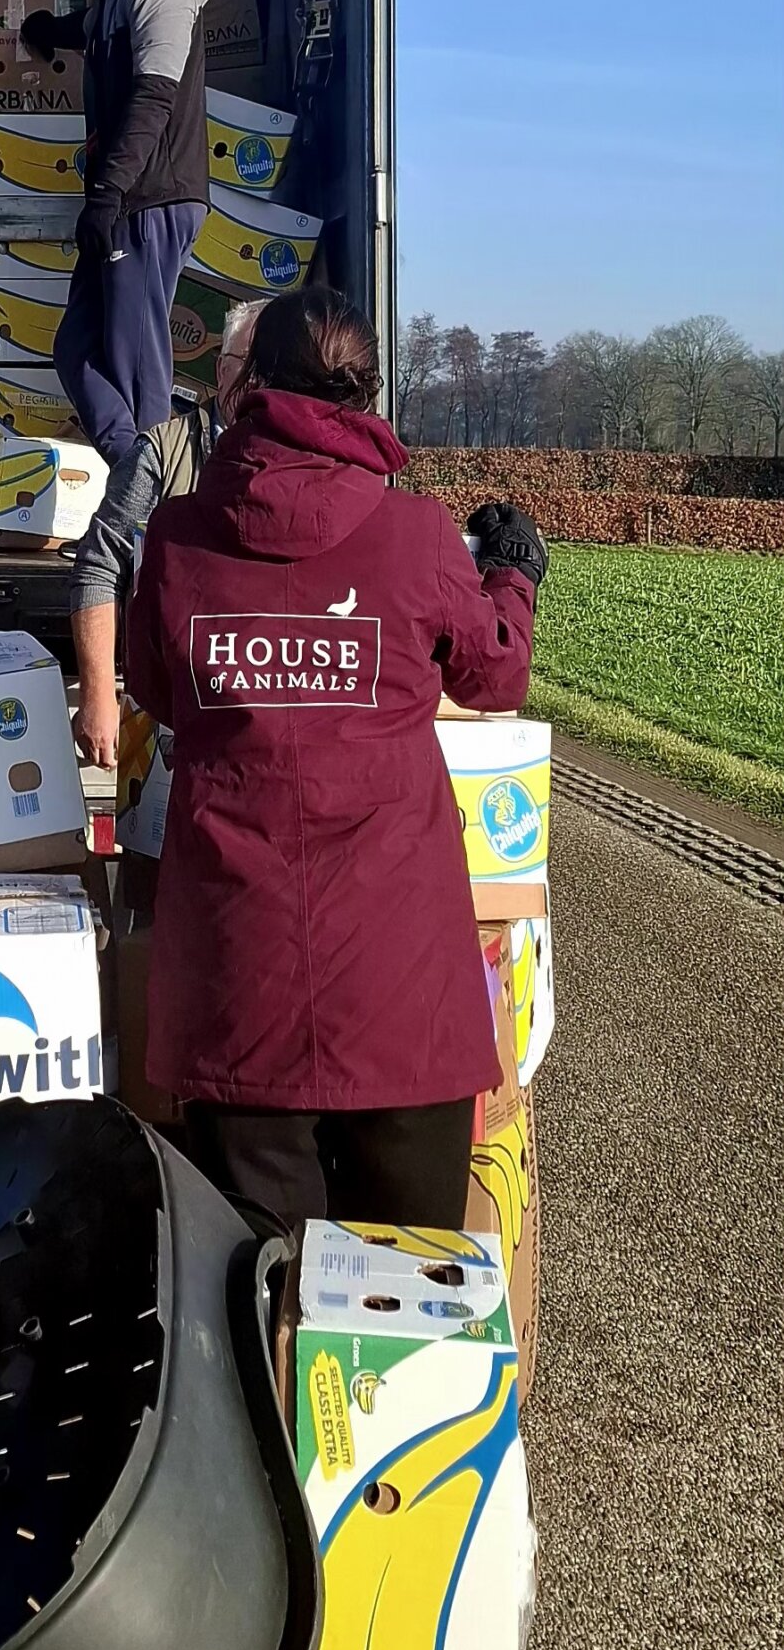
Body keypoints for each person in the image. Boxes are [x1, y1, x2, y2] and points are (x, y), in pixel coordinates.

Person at [124, 289, 548, 1235]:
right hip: (401, 988)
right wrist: (513, 574)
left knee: (259, 1305)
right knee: (405, 1308)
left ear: (250, 388)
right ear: (365, 399)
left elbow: (156, 686)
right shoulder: (419, 537)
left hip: (239, 978)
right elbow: (495, 675)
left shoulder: (180, 539)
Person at [22, 0, 212, 465]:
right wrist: (48, 31)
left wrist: (108, 193)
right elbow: (97, 31)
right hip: (122, 202)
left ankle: (154, 519)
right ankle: (139, 471)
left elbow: (154, 95)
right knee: (76, 350)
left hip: (148, 196)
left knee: (136, 366)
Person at [70, 298, 263, 770]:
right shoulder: (162, 453)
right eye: (246, 365)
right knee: (154, 840)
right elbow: (100, 564)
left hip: (260, 716)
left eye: (271, 369)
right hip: (163, 714)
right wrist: (98, 695)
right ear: (220, 370)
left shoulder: (305, 464)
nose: (258, 382)